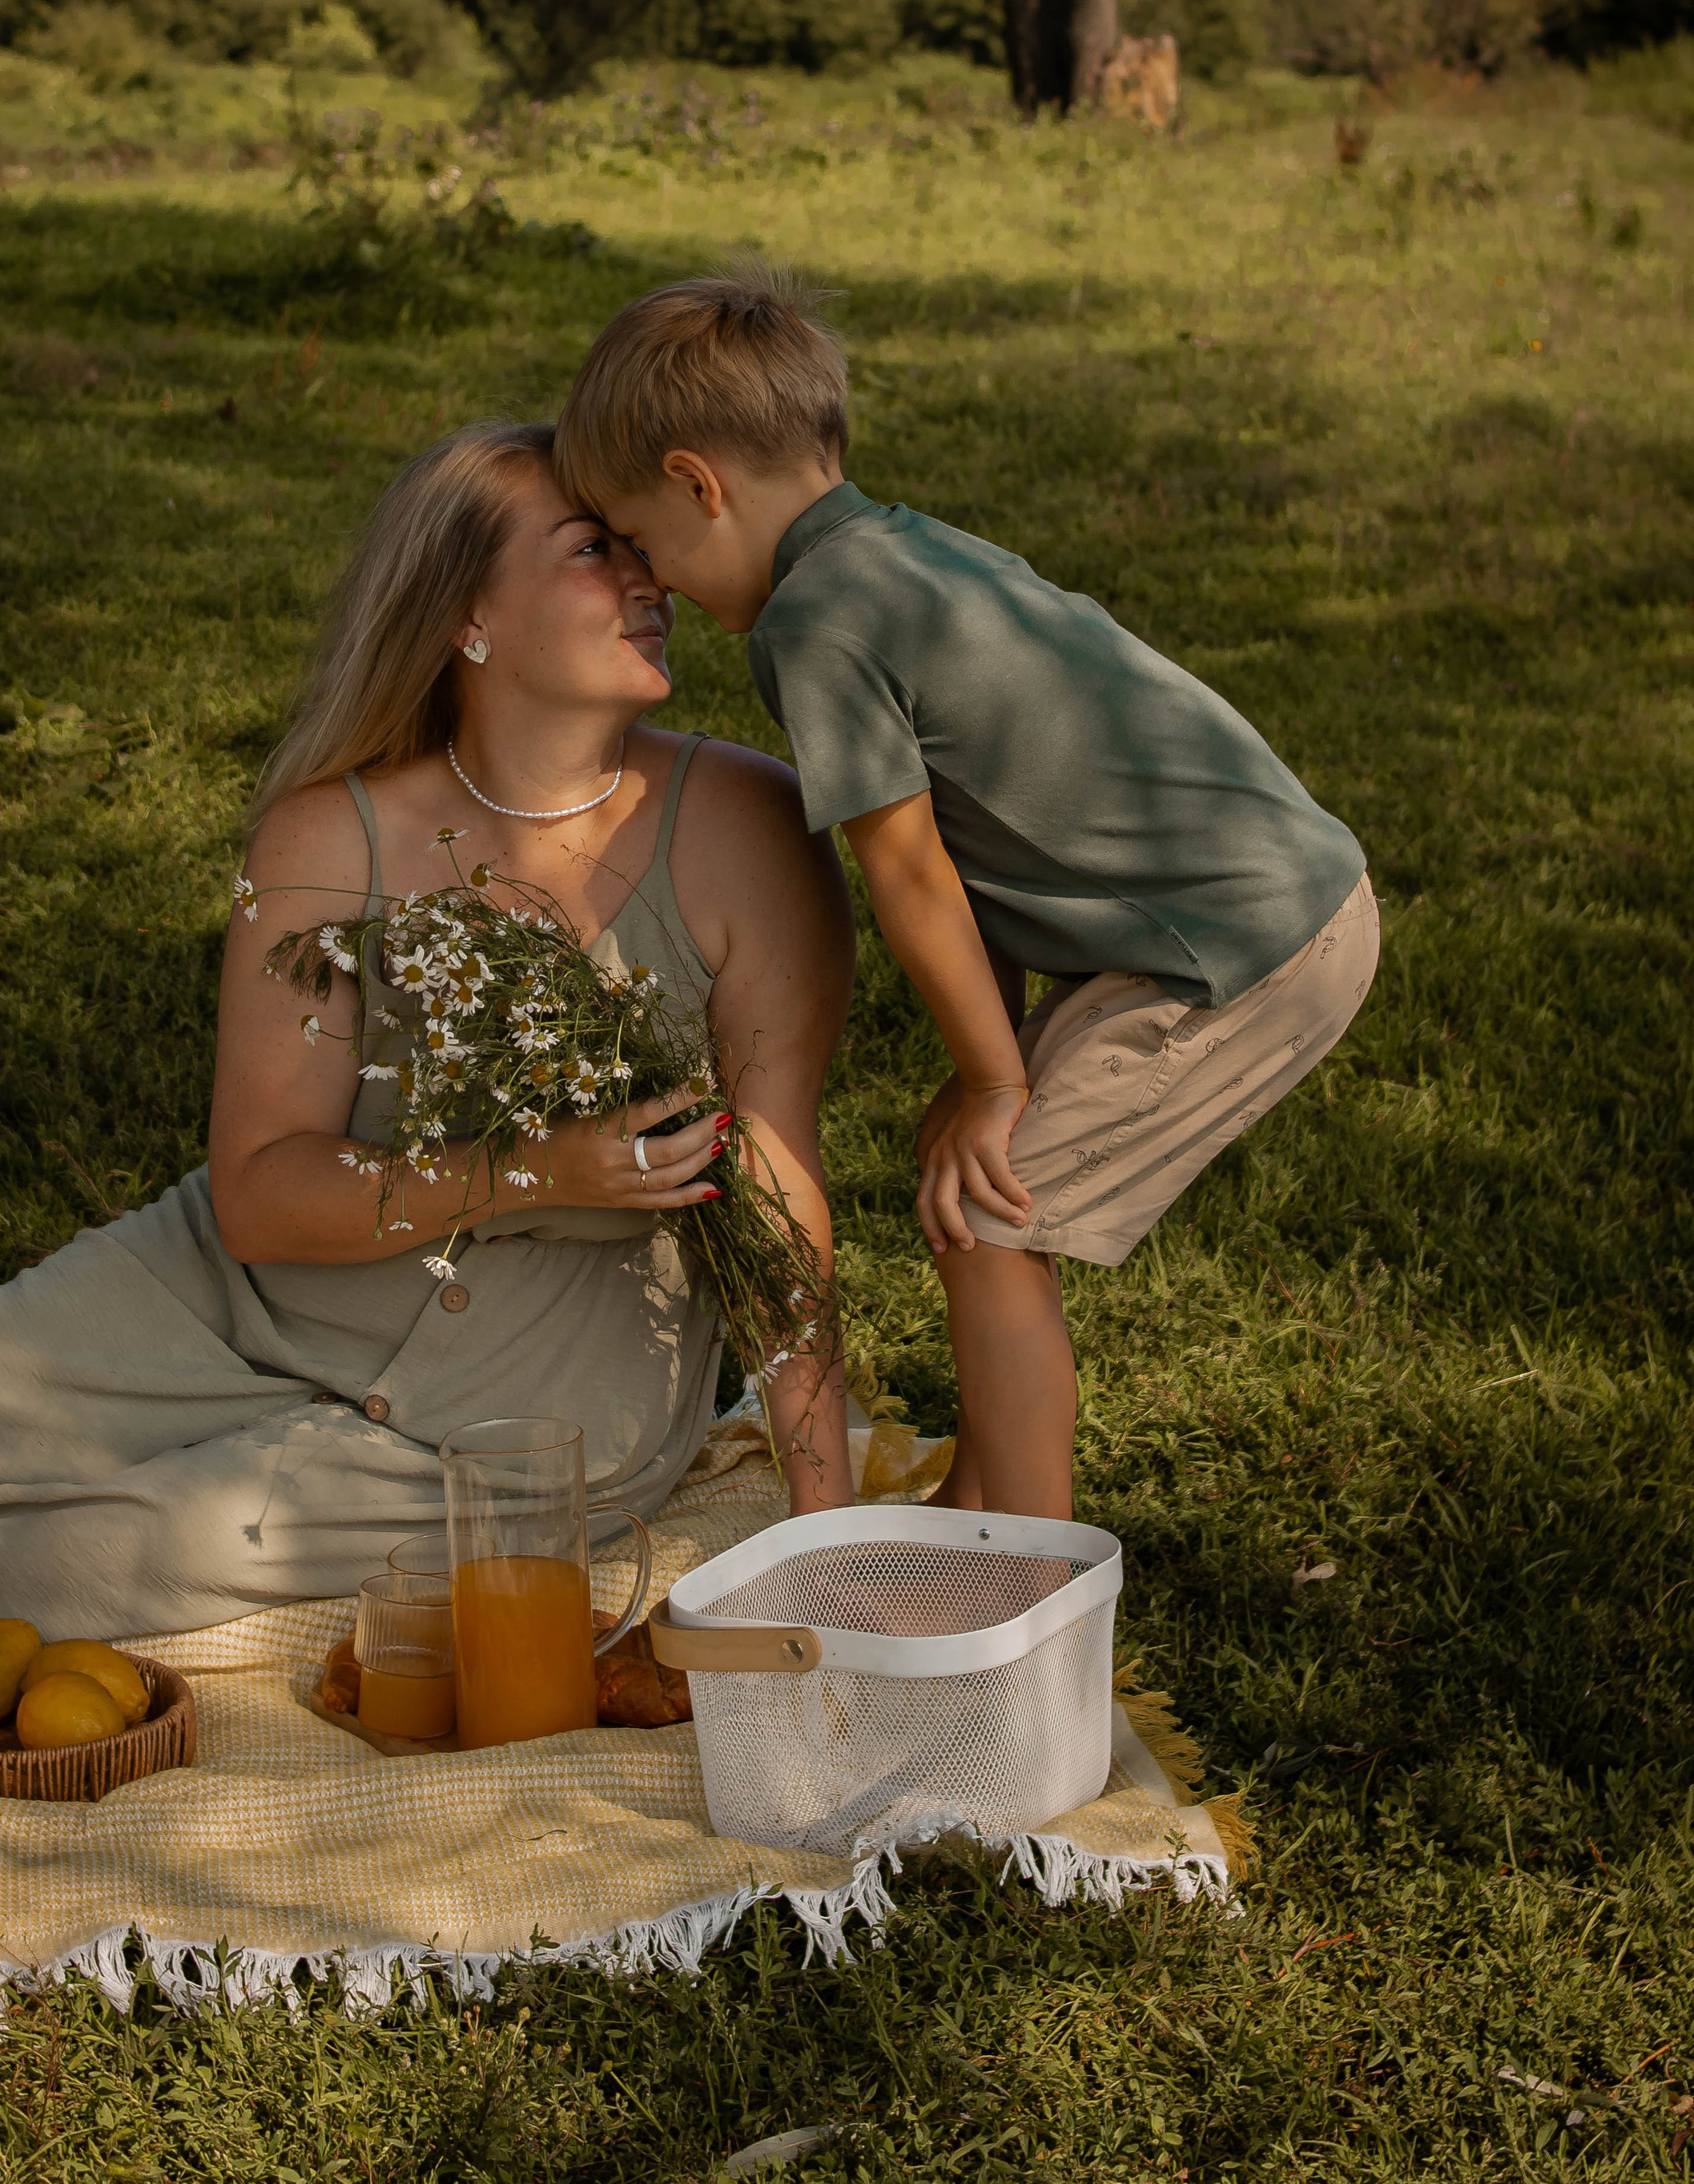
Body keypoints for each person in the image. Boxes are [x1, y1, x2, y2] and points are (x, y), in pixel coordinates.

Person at [0, 421, 854, 1736]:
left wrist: (826, 1540)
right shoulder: (330, 833)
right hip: (241, 1294)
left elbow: (778, 1191)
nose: (650, 581)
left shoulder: (747, 829)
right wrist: (537, 1168)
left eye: (644, 552)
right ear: (467, 617)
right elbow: (263, 1198)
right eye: (593, 552)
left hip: (534, 1402)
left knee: (138, 1545)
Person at [553, 272, 1379, 1524]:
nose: (652, 580)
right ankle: (977, 1506)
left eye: (642, 540)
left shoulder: (813, 626)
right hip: (1271, 904)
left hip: (1239, 952)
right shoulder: (905, 554)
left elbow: (912, 871)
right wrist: (981, 1064)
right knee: (974, 1203)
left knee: (995, 1225)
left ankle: (1023, 1574)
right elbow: (977, 850)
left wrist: (1000, 1084)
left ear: (697, 484)